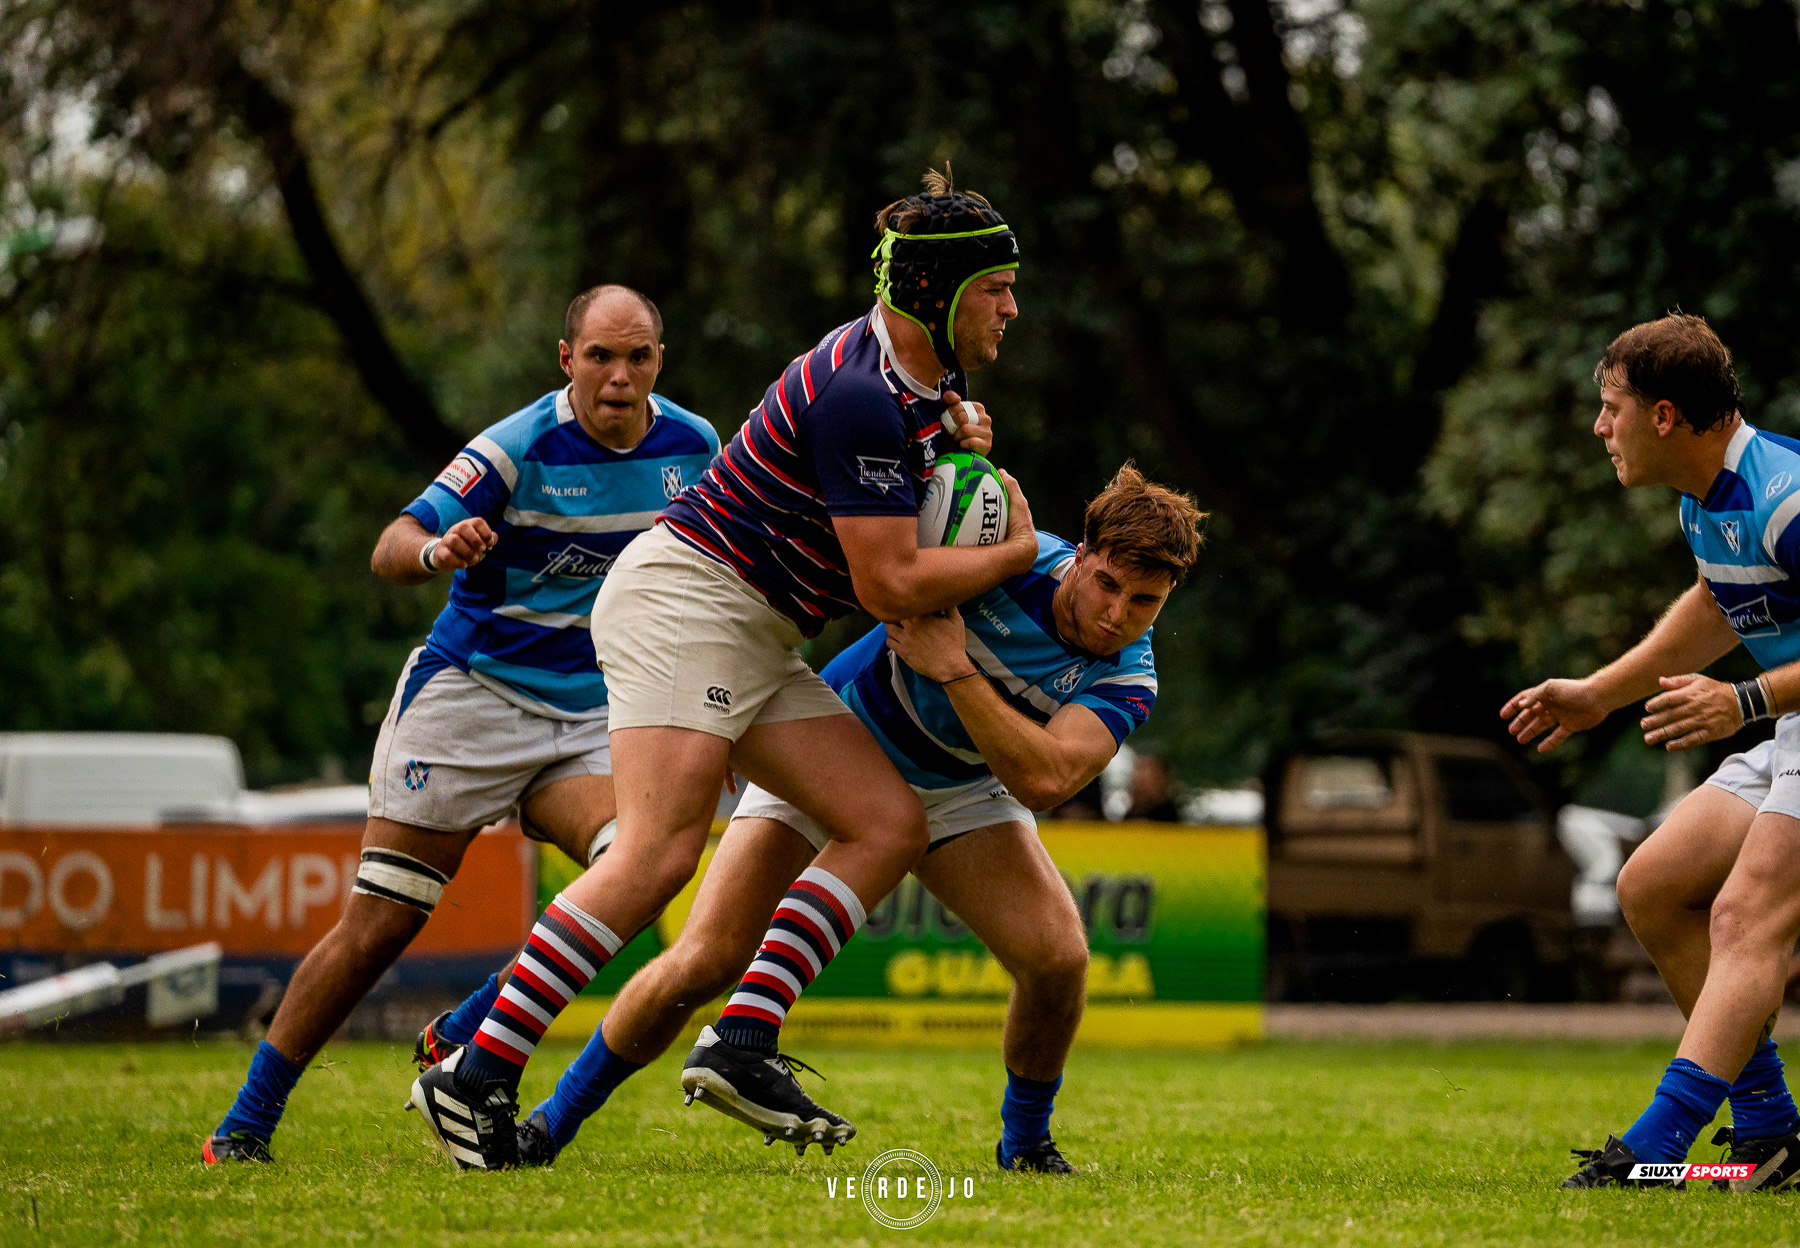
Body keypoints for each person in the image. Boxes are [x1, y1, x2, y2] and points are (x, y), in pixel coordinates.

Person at [407, 167, 1040, 1170]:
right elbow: (886, 584)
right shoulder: (858, 394)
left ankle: (743, 1037)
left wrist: (966, 450)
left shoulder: (928, 382)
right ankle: (475, 1069)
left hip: (755, 632)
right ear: (938, 293)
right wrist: (1015, 549)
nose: (1012, 304)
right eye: (996, 287)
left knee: (886, 825)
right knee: (657, 857)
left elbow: (917, 491)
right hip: (688, 604)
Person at [421, 465, 1203, 1173]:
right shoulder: (1000, 553)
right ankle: (548, 1129)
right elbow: (907, 516)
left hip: (965, 789)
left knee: (1060, 960)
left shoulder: (1131, 672)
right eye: (1107, 585)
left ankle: (1025, 1144)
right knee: (702, 961)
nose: (1116, 614)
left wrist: (956, 668)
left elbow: (1045, 777)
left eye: (1145, 603)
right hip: (833, 749)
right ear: (1082, 554)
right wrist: (964, 442)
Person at [202, 285, 719, 1164]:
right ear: (567, 361)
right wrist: (440, 551)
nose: (619, 378)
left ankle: (474, 1023)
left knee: (642, 868)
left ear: (659, 362)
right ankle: (243, 1126)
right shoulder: (516, 448)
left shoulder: (695, 447)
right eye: (600, 357)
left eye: (637, 358)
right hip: (471, 698)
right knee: (382, 925)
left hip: (591, 710)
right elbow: (392, 542)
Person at [1502, 313, 1800, 1191]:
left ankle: (1655, 1143)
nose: (1600, 428)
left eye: (1610, 408)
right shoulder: (1702, 501)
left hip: (1781, 710)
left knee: (1746, 917)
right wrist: (1598, 693)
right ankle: (1773, 1131)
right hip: (1791, 719)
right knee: (1653, 886)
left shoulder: (1785, 496)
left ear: (1664, 416)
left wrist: (1743, 699)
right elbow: (1716, 605)